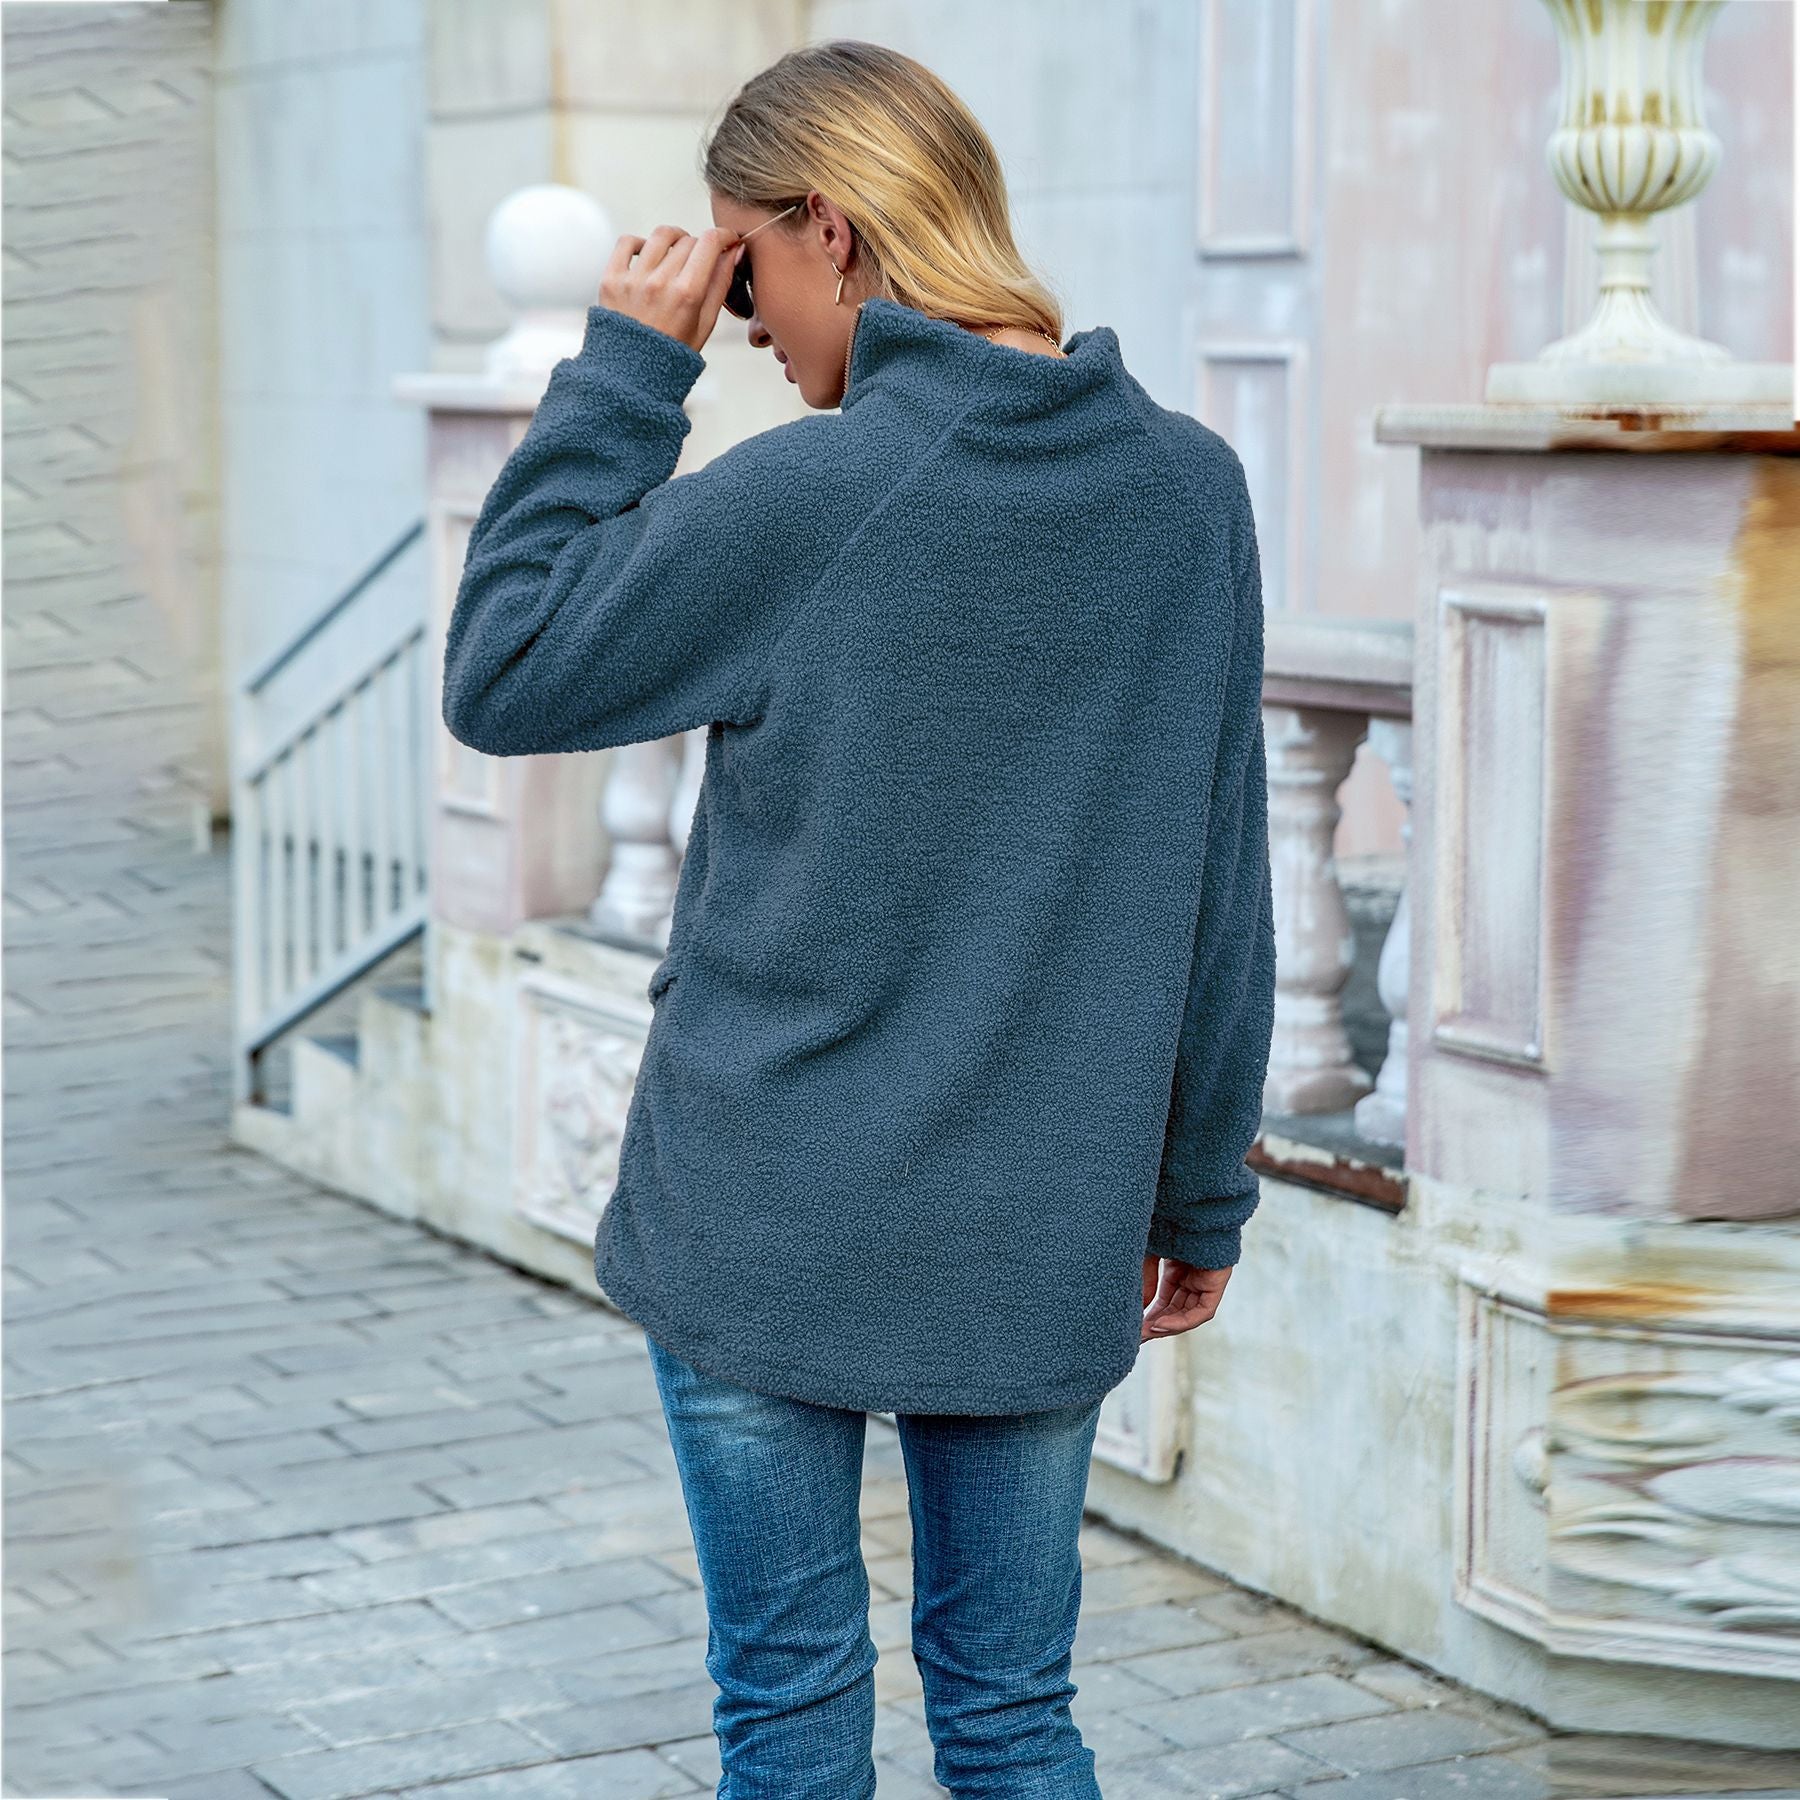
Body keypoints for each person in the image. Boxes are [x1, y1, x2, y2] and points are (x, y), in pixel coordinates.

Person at [442, 37, 1275, 1800]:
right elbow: (1224, 881)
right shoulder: (1190, 491)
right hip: (1043, 1221)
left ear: (828, 227)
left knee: (791, 1716)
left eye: (745, 277)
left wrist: (629, 369)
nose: (748, 328)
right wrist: (1201, 1187)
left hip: (761, 1207)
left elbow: (505, 664)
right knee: (1015, 1715)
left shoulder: (815, 496)